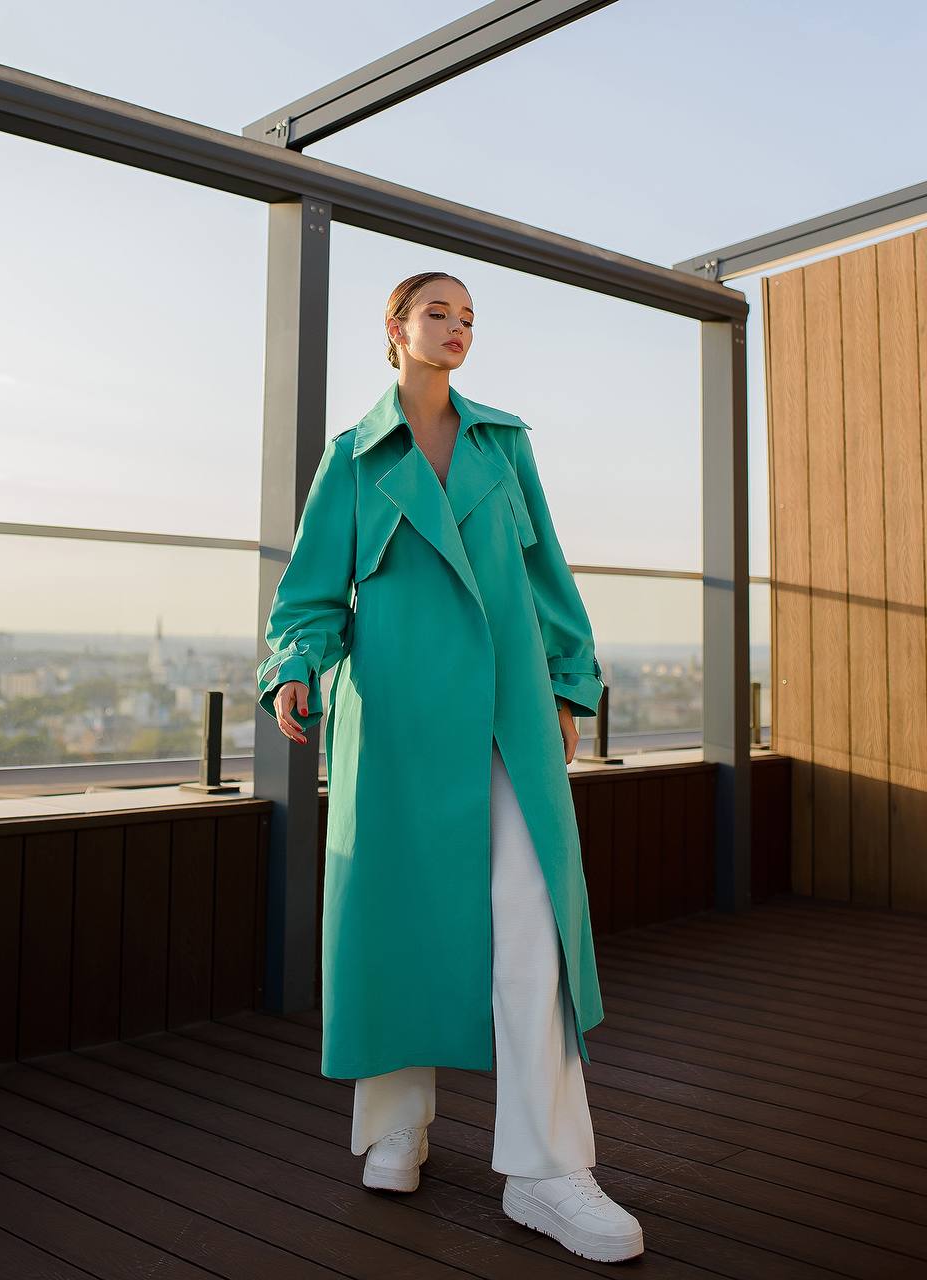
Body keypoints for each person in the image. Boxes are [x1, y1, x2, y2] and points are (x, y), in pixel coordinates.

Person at [256, 271, 644, 1263]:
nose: (458, 327)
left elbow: (547, 573)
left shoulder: (503, 444)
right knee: (395, 921)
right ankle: (395, 1123)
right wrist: (293, 665)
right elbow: (309, 597)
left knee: (533, 919)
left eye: (470, 317)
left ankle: (548, 1168)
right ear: (395, 327)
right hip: (394, 718)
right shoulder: (351, 456)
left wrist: (567, 683)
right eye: (439, 312)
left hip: (508, 712)